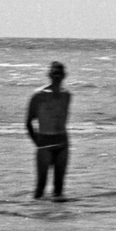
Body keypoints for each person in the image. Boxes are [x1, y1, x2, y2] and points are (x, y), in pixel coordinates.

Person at [27, 62, 71, 200]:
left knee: (59, 187)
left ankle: (59, 216)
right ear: (49, 75)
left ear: (64, 75)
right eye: (54, 73)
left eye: (59, 73)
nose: (57, 76)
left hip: (62, 141)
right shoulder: (39, 95)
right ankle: (33, 215)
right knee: (40, 186)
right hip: (45, 140)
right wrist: (38, 143)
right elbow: (28, 122)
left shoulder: (67, 95)